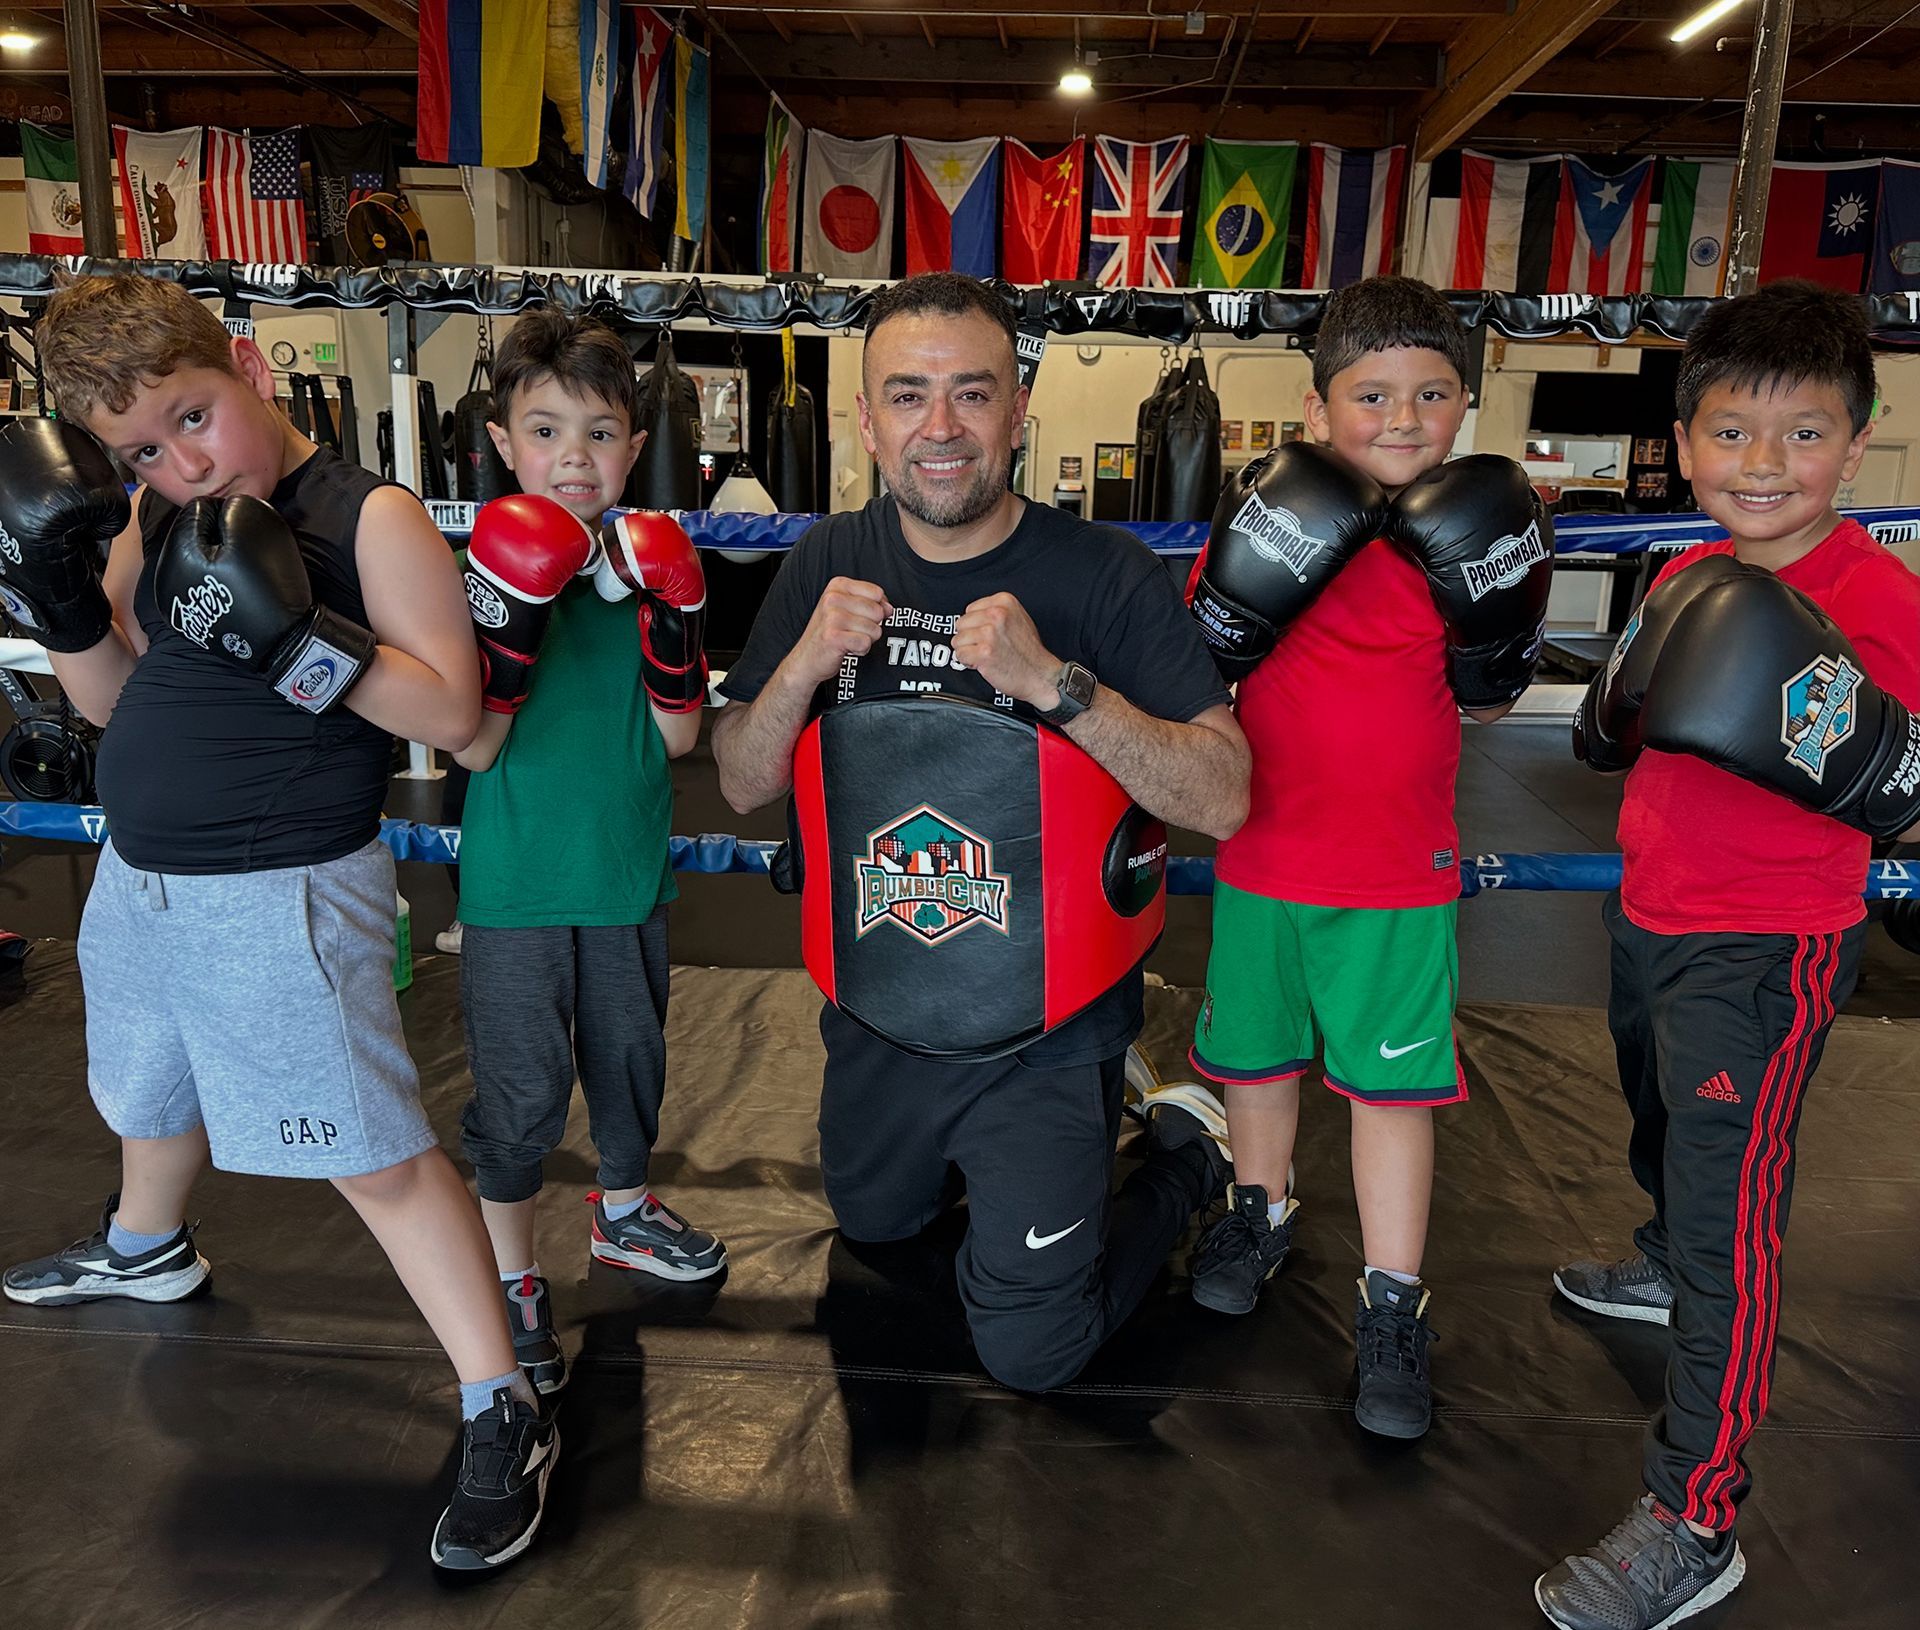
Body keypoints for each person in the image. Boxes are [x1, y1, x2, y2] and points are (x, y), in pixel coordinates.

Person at [0, 274, 557, 1572]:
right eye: (145, 448)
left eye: (195, 418)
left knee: (365, 1151)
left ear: (242, 364)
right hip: (143, 871)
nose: (184, 462)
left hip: (284, 883)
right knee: (148, 1080)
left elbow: (452, 719)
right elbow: (108, 703)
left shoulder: (367, 514)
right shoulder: (152, 512)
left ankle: (503, 1401)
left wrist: (297, 641)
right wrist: (65, 599)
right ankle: (146, 1245)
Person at [711, 272, 1251, 1393]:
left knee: (1036, 1351)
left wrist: (1059, 686)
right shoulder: (826, 559)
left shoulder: (1102, 573)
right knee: (874, 1222)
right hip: (883, 1007)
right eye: (908, 396)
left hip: (1047, 1034)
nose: (940, 427)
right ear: (867, 420)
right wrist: (807, 659)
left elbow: (1224, 795)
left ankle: (1187, 1157)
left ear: (1018, 411)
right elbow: (742, 782)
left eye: (972, 393)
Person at [1537, 281, 1920, 1629]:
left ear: (1858, 443)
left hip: (1765, 949)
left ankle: (1697, 1514)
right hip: (1653, 916)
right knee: (1659, 1127)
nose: (1766, 466)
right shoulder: (1690, 574)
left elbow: (1908, 778)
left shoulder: (1879, 597)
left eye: (1803, 433)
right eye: (1734, 433)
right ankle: (1662, 1253)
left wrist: (1877, 767)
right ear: (1685, 446)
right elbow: (1613, 727)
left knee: (1730, 1215)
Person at [1182, 275, 1551, 1440]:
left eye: (1431, 394)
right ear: (1315, 405)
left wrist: (1493, 632)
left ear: (1463, 406)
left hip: (1394, 873)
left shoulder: (1478, 528)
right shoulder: (1273, 518)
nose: (1402, 418)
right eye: (1372, 393)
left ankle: (1393, 1300)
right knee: (1255, 1056)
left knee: (1392, 1091)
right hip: (1260, 854)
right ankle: (1261, 1208)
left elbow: (1490, 710)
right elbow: (1202, 665)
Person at [451, 308, 725, 1397]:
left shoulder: (647, 568)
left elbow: (680, 736)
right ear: (503, 442)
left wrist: (675, 621)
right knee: (518, 1097)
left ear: (633, 445)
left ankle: (620, 1212)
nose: (575, 455)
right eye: (547, 429)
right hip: (516, 888)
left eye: (601, 433)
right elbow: (469, 742)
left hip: (624, 876)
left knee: (629, 1062)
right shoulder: (474, 574)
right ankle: (512, 1277)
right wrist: (510, 626)